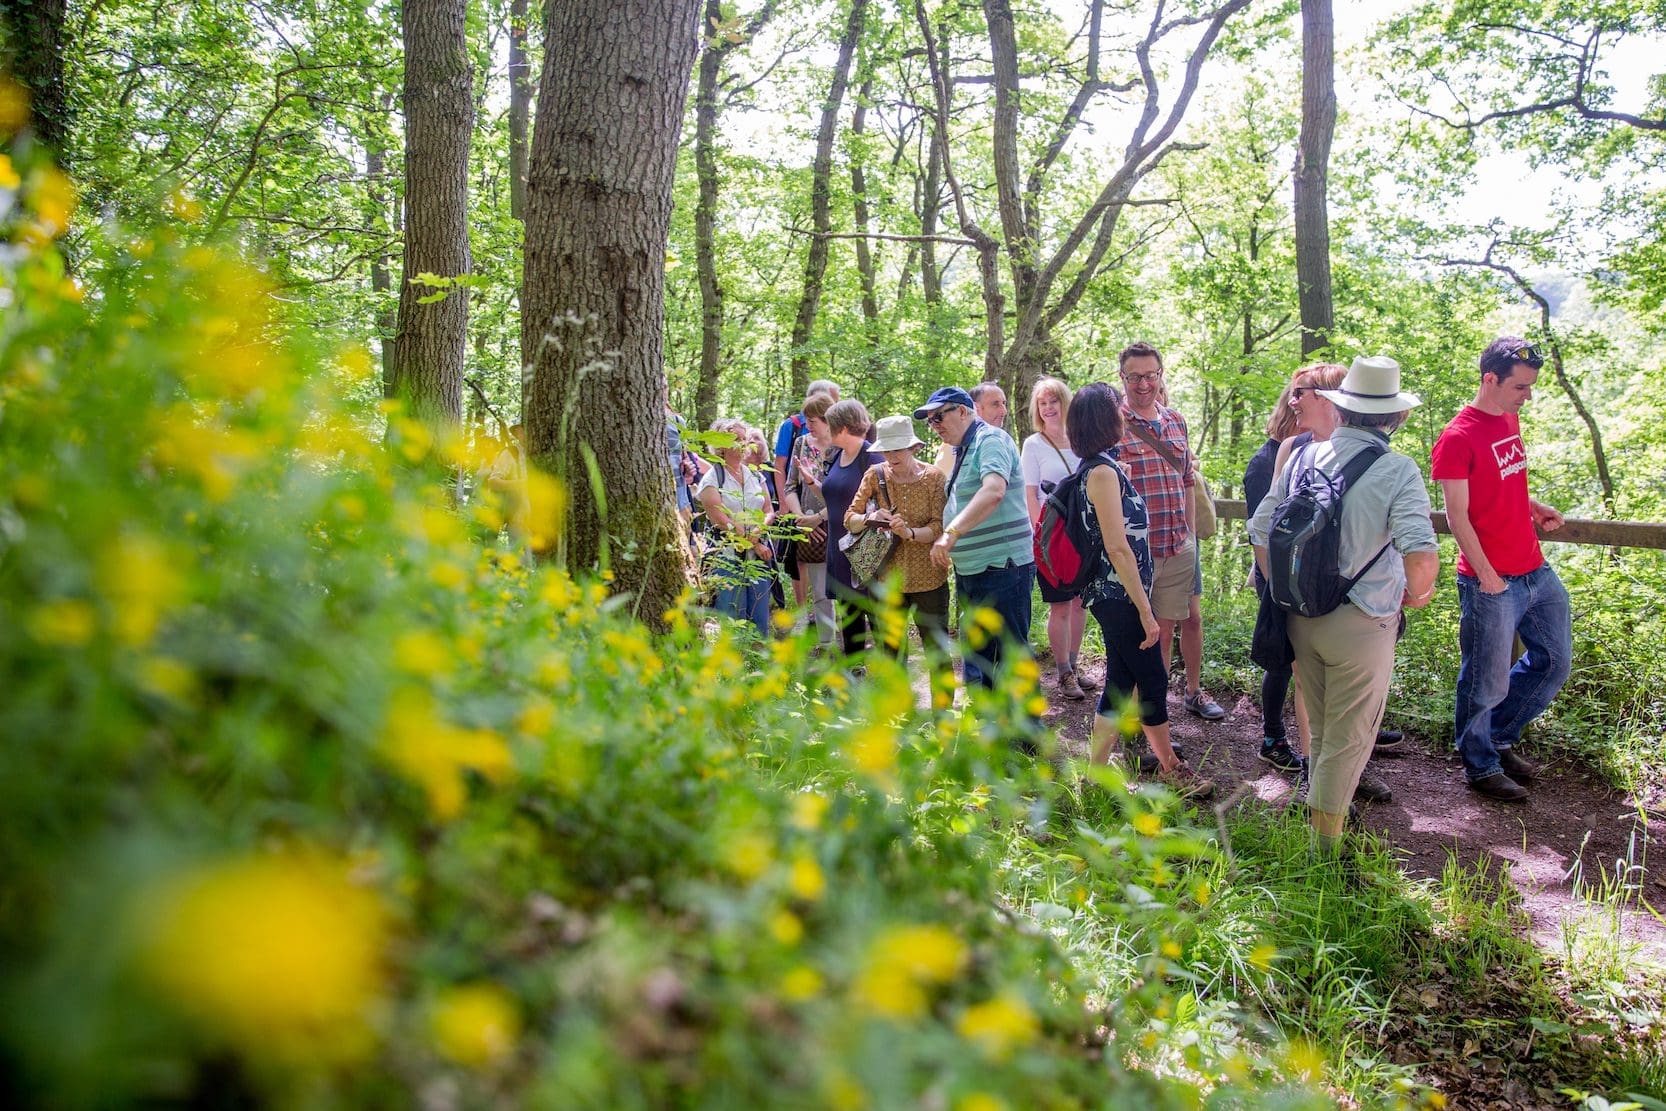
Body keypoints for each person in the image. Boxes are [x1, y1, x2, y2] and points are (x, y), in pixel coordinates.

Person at [1248, 356, 1439, 844]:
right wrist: (1415, 596)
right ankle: (1323, 855)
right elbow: (1420, 556)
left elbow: (1261, 528)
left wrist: (1281, 591)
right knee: (1349, 738)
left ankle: (1319, 828)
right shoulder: (1397, 469)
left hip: (1302, 617)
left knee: (1325, 727)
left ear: (1343, 408)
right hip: (1361, 623)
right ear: (1395, 416)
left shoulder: (1303, 457)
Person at [1432, 337, 1571, 803]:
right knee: (1484, 679)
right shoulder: (1456, 437)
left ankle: (1498, 735)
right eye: (1520, 387)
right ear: (1489, 379)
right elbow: (1456, 516)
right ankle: (1480, 764)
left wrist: (1532, 505)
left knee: (1554, 661)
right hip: (1489, 578)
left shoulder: (1509, 417)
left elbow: (1502, 482)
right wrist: (1487, 574)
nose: (1526, 396)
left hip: (1535, 569)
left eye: (1530, 387)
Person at [1072, 384, 1211, 800]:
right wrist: (1146, 611)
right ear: (1105, 420)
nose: (1125, 417)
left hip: (1122, 595)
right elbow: (1117, 547)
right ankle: (1171, 768)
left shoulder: (1105, 468)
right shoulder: (1099, 473)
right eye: (1119, 411)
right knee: (1151, 678)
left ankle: (1093, 776)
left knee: (1119, 682)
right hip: (1119, 597)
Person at [1114, 342, 1226, 721]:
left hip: (1178, 546)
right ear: (1122, 378)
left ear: (1161, 376)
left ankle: (1155, 718)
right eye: (1135, 377)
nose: (1143, 384)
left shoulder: (1176, 420)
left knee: (1163, 634)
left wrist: (1191, 538)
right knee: (1139, 640)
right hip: (1136, 555)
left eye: (1150, 375)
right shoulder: (1113, 425)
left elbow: (1186, 481)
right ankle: (1137, 725)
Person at [920, 386, 1035, 692]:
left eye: (939, 416)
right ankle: (984, 731)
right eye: (930, 421)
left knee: (1010, 654)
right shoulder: (961, 450)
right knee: (979, 655)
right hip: (974, 570)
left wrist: (951, 534)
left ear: (963, 410)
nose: (935, 425)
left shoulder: (991, 439)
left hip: (1003, 568)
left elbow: (994, 490)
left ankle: (1026, 737)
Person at [842, 415, 951, 675]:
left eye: (898, 448)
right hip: (886, 580)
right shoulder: (875, 475)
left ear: (914, 447)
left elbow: (938, 527)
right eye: (887, 449)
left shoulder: (934, 478)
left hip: (929, 579)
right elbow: (849, 519)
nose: (892, 455)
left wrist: (909, 532)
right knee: (891, 655)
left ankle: (943, 714)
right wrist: (871, 517)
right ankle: (898, 715)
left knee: (937, 652)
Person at [1243, 378, 1311, 771]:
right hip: (1276, 578)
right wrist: (1272, 583)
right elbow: (1261, 528)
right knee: (1281, 660)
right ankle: (1273, 736)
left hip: (1302, 581)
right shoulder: (1265, 462)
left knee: (1302, 665)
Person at [1021, 377, 1095, 702]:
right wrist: (1043, 537)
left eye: (1054, 401)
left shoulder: (1083, 441)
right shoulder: (1033, 445)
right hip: (1051, 538)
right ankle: (1063, 672)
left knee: (1081, 604)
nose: (1049, 408)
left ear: (1066, 403)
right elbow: (1030, 496)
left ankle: (1075, 666)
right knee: (1060, 605)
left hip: (1084, 536)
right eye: (1043, 403)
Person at [696, 418, 774, 637]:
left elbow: (769, 509)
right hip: (726, 557)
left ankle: (759, 664)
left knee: (760, 618)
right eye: (735, 440)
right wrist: (754, 541)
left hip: (758, 558)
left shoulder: (755, 476)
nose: (742, 445)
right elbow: (720, 519)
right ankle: (732, 666)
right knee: (731, 615)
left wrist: (758, 535)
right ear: (721, 445)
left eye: (744, 440)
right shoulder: (712, 479)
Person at [821, 399, 880, 660]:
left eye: (829, 426)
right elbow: (835, 497)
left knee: (877, 616)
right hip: (839, 549)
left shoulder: (871, 456)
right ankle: (854, 672)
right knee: (849, 616)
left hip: (866, 553)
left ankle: (892, 680)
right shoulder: (838, 456)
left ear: (842, 428)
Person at [774, 381, 840, 611]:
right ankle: (822, 637)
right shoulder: (799, 440)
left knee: (845, 587)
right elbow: (789, 482)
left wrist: (820, 518)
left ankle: (851, 636)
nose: (807, 424)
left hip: (838, 522)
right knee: (814, 579)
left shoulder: (842, 446)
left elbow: (846, 492)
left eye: (811, 420)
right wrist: (801, 518)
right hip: (805, 520)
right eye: (807, 419)